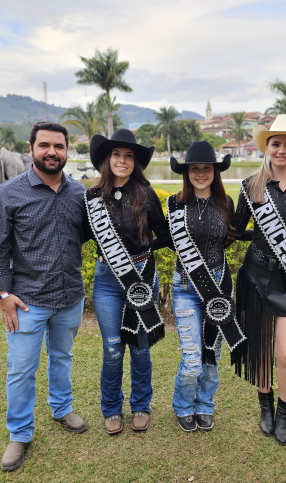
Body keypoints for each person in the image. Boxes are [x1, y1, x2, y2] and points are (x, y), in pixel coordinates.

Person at [0, 121, 89, 472]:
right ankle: (19, 433)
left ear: (67, 150)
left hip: (69, 295)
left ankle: (62, 408)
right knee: (21, 369)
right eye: (44, 145)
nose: (52, 152)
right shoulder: (9, 194)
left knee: (62, 356)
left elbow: (84, 236)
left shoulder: (79, 193)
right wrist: (2, 294)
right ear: (31, 149)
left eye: (59, 146)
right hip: (27, 301)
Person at [233, 114, 286, 446]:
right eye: (276, 143)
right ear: (266, 147)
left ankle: (284, 414)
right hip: (256, 274)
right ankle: (265, 406)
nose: (282, 150)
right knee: (261, 347)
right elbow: (237, 230)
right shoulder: (250, 185)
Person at [85, 129, 171, 435]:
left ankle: (140, 405)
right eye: (116, 154)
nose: (122, 160)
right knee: (112, 350)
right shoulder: (92, 198)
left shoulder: (146, 194)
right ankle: (111, 408)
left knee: (139, 347)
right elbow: (79, 234)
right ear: (107, 160)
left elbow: (165, 235)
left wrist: (144, 251)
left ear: (135, 162)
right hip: (107, 281)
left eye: (129, 155)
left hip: (142, 278)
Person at [165, 141, 247, 432]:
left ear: (215, 171)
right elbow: (168, 239)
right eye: (194, 169)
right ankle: (183, 406)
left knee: (212, 355)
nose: (200, 174)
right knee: (192, 359)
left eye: (206, 168)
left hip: (219, 287)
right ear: (186, 173)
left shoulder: (226, 203)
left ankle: (204, 405)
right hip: (186, 287)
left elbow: (230, 237)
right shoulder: (175, 204)